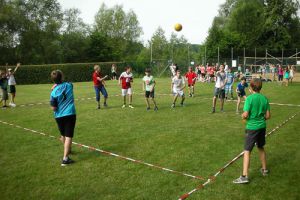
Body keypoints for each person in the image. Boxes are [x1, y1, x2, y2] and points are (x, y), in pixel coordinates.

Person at [233, 78, 271, 184]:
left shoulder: (249, 99)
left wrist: (243, 116)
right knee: (260, 147)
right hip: (262, 127)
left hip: (252, 128)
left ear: (251, 87)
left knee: (247, 151)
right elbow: (268, 116)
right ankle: (264, 169)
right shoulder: (264, 98)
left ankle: (244, 176)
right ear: (260, 87)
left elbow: (245, 114)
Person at [50, 70, 76, 166]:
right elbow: (70, 84)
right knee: (69, 136)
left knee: (63, 135)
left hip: (59, 116)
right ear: (61, 77)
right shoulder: (69, 85)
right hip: (70, 114)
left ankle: (68, 150)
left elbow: (53, 108)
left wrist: (54, 88)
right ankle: (65, 159)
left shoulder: (53, 92)